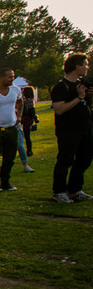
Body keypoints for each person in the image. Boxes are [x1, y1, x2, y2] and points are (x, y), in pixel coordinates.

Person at [50, 53, 93, 203]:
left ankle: (75, 189)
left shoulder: (82, 84)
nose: (87, 67)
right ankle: (59, 191)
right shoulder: (61, 87)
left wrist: (88, 97)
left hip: (85, 128)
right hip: (68, 130)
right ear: (77, 66)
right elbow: (59, 109)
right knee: (65, 160)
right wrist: (79, 97)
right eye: (85, 64)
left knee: (85, 159)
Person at [20, 86, 37, 157]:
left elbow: (30, 110)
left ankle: (29, 150)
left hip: (26, 118)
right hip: (27, 118)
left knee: (26, 135)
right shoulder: (30, 100)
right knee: (26, 135)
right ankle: (29, 150)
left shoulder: (27, 100)